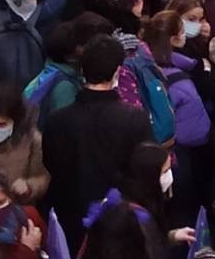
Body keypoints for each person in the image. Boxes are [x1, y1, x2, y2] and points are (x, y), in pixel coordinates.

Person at [41, 34, 151, 247]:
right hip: (119, 221)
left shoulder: (58, 120)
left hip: (69, 218)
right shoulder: (134, 118)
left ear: (82, 69)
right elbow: (144, 169)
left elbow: (51, 163)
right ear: (118, 71)